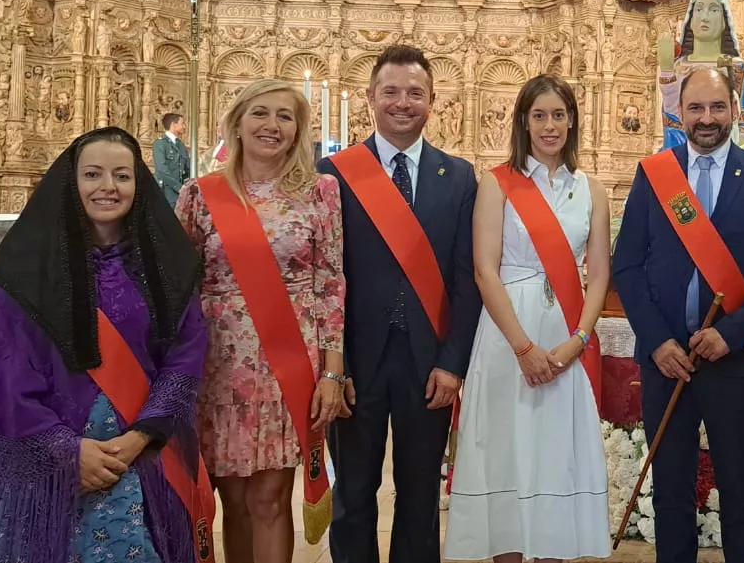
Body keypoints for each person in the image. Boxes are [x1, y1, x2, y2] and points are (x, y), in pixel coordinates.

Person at [0, 127, 211, 563]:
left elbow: (186, 352)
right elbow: (3, 372)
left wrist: (143, 435)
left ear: (139, 184)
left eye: (122, 175)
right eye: (93, 174)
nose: (108, 187)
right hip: (45, 457)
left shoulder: (166, 266)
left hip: (137, 456)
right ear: (70, 181)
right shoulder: (31, 268)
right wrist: (65, 450)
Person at [613, 65, 744, 563]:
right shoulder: (656, 176)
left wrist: (731, 335)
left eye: (718, 107)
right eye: (696, 107)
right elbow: (626, 265)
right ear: (680, 112)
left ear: (734, 111)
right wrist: (657, 341)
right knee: (671, 491)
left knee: (740, 492)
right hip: (665, 360)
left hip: (731, 362)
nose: (707, 118)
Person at [318, 45, 482, 563]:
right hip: (355, 365)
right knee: (353, 498)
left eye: (415, 93)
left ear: (434, 101)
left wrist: (453, 363)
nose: (402, 103)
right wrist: (331, 367)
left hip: (428, 363)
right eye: (391, 92)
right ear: (370, 98)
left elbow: (466, 279)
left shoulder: (457, 176)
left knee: (419, 501)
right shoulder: (333, 172)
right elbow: (322, 277)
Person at [176, 78, 349, 563]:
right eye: (260, 113)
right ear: (236, 122)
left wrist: (332, 372)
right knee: (233, 501)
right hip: (219, 365)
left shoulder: (321, 192)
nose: (271, 125)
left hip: (288, 361)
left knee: (270, 498)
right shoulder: (199, 194)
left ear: (298, 131)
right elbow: (177, 288)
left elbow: (331, 285)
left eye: (284, 116)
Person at [445, 75, 613, 561]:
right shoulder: (497, 183)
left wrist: (577, 340)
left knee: (555, 457)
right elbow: (484, 270)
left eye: (559, 114)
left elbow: (599, 275)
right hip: (506, 336)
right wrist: (522, 347)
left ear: (573, 121)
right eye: (538, 115)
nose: (550, 125)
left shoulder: (592, 190)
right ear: (523, 122)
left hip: (565, 335)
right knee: (507, 452)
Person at [654, 0, 744, 151]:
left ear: (725, 21)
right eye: (699, 10)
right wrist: (666, 71)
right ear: (691, 20)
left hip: (725, 154)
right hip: (679, 151)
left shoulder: (737, 67)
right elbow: (671, 119)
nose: (705, 17)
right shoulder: (678, 67)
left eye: (713, 10)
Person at [154, 112, 190, 206]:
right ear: (173, 125)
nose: (184, 126)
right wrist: (178, 187)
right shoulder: (160, 144)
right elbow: (162, 170)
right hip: (165, 192)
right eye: (182, 123)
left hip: (180, 194)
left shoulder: (181, 145)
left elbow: (187, 168)